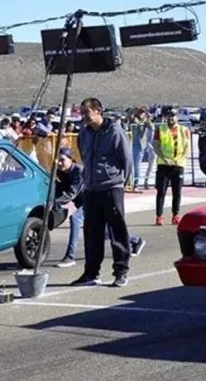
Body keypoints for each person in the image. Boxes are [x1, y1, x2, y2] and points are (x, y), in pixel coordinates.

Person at [71, 97, 133, 287]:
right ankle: (91, 273)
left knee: (117, 231)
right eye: (82, 113)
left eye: (87, 113)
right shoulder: (84, 133)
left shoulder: (114, 131)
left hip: (111, 187)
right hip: (91, 189)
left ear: (98, 111)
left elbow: (126, 159)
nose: (84, 117)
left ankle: (121, 271)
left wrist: (120, 182)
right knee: (92, 232)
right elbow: (83, 153)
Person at [54, 147, 144, 268]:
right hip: (85, 203)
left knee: (75, 219)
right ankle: (135, 240)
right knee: (106, 232)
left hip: (92, 201)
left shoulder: (78, 171)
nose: (59, 163)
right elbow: (58, 191)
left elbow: (72, 193)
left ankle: (70, 256)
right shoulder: (60, 172)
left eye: (62, 160)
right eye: (58, 160)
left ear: (71, 159)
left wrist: (56, 202)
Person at [152, 107, 190, 224]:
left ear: (177, 117)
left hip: (178, 164)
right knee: (161, 191)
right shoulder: (161, 129)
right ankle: (159, 216)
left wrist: (180, 159)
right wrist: (164, 158)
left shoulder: (184, 130)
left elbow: (186, 146)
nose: (171, 118)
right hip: (164, 164)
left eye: (173, 116)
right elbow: (156, 146)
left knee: (177, 191)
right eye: (169, 116)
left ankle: (176, 215)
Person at [130, 108, 155, 192]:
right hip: (131, 143)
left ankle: (135, 184)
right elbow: (131, 116)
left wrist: (147, 120)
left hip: (140, 145)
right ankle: (128, 183)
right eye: (140, 111)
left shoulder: (145, 120)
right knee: (130, 165)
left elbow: (152, 128)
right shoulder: (133, 118)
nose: (141, 113)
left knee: (137, 165)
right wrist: (136, 110)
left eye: (143, 112)